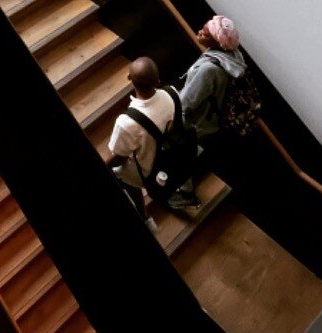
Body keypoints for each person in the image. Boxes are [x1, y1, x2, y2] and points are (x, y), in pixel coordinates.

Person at [103, 57, 176, 233]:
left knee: (119, 174)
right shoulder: (171, 93)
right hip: (171, 156)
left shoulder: (127, 122)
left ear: (129, 79)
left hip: (148, 171)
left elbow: (119, 159)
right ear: (158, 80)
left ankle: (144, 214)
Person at [179, 15, 248, 143]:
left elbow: (185, 103)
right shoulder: (233, 57)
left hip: (195, 129)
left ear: (218, 43)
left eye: (205, 34)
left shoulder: (209, 70)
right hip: (211, 127)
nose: (199, 32)